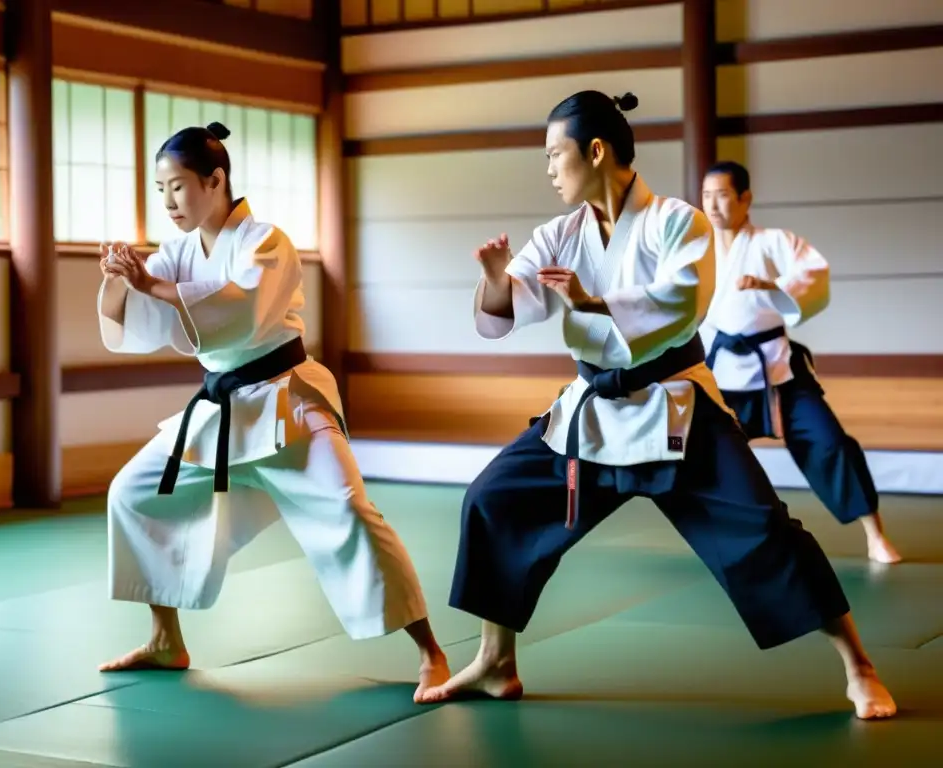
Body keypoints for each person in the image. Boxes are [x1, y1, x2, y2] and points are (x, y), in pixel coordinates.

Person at [421, 91, 897, 720]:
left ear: (595, 151)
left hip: (676, 407)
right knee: (493, 500)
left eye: (554, 154)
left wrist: (596, 305)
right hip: (592, 410)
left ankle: (858, 667)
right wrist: (493, 275)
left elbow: (681, 305)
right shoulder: (560, 233)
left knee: (764, 531)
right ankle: (496, 661)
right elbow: (509, 304)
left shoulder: (678, 222)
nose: (548, 168)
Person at [95, 121, 450, 703]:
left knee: (349, 511)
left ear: (216, 180)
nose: (168, 203)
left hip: (288, 401)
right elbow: (140, 318)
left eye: (179, 187)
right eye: (161, 190)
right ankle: (165, 640)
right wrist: (118, 280)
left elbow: (241, 311)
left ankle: (431, 654)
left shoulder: (267, 241)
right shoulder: (180, 251)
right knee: (134, 492)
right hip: (222, 409)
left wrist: (151, 286)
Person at [699, 161, 902, 565]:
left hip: (778, 371)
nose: (714, 205)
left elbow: (813, 272)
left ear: (745, 199)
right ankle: (727, 538)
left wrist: (773, 286)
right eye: (706, 196)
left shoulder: (773, 242)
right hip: (719, 375)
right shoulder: (695, 251)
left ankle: (874, 534)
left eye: (722, 194)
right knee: (707, 459)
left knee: (831, 444)